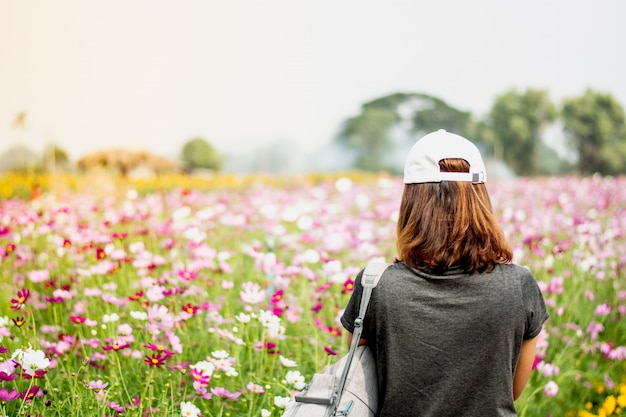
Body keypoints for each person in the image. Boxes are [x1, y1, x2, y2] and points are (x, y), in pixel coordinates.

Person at [340, 129, 549, 417]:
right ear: (481, 199)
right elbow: (509, 390)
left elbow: (360, 380)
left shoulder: (376, 286)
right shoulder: (518, 285)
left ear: (412, 202)